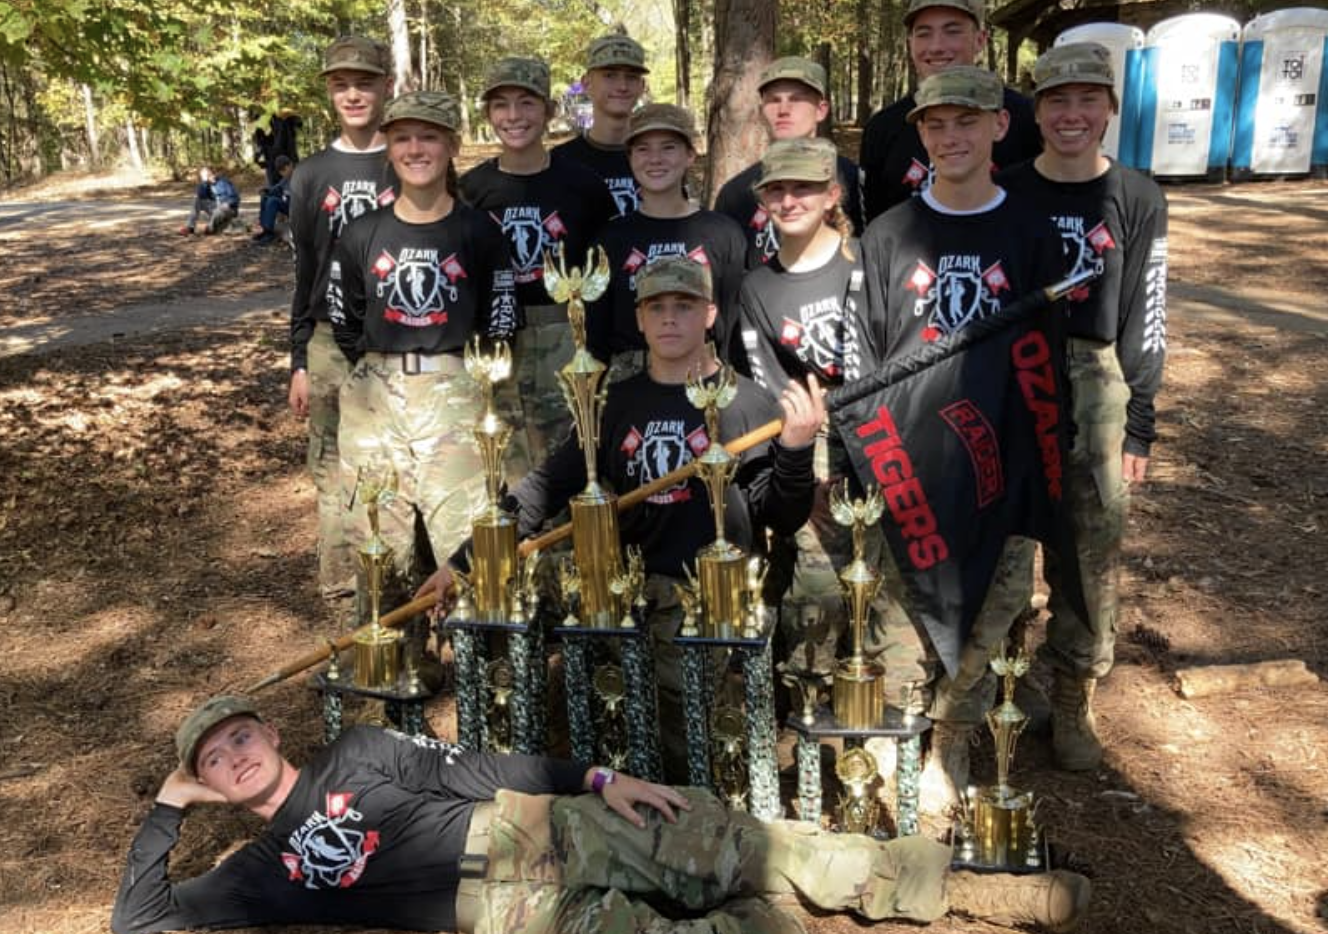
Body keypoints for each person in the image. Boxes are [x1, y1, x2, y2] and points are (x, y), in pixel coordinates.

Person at [111, 694, 1091, 934]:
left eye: (239, 737)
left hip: (529, 830)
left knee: (727, 840)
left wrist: (594, 779)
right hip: (502, 918)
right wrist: (166, 809)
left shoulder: (358, 748)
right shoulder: (252, 872)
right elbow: (138, 922)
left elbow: (485, 763)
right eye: (211, 761)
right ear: (206, 782)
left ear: (269, 733)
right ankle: (787, 912)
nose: (234, 757)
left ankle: (953, 886)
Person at [421, 255, 823, 782]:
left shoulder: (746, 403)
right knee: (503, 611)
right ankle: (511, 759)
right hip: (624, 587)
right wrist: (463, 562)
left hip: (709, 599)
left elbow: (780, 513)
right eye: (656, 307)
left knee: (686, 752)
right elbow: (546, 487)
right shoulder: (613, 404)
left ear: (710, 314)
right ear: (638, 318)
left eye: (684, 305)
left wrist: (795, 450)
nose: (670, 318)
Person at [858, 66, 1065, 814]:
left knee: (991, 608)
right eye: (935, 125)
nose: (951, 137)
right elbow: (870, 359)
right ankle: (893, 745)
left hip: (1000, 462)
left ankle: (950, 740)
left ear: (999, 127)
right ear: (920, 134)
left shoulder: (1030, 232)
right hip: (910, 463)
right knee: (903, 611)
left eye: (967, 122)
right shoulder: (888, 236)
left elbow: (1049, 371)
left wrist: (1044, 468)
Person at [998, 43, 1169, 771]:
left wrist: (1140, 418)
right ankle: (1007, 675)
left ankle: (1073, 696)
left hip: (1096, 375)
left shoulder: (1135, 193)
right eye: (1056, 101)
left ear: (1108, 110)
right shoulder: (1005, 189)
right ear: (1035, 112)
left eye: (1086, 100)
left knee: (1088, 549)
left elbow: (1146, 308)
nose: (1072, 115)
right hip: (1010, 375)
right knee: (1003, 538)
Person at [328, 90, 518, 601]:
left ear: (452, 144)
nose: (416, 149)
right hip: (375, 399)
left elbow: (499, 321)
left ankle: (483, 665)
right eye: (403, 138)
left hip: (454, 392)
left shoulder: (478, 231)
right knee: (378, 541)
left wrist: (460, 382)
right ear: (388, 148)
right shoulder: (362, 232)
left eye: (429, 136)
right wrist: (377, 372)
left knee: (468, 538)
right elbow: (345, 320)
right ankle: (394, 666)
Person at [736, 136, 873, 696]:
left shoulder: (868, 261)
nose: (791, 200)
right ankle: (810, 695)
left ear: (832, 194)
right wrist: (799, 462)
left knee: (885, 579)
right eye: (778, 190)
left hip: (881, 434)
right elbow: (769, 382)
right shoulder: (758, 286)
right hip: (812, 439)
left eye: (805, 188)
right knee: (814, 579)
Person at [460, 56, 617, 478]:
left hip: (566, 338)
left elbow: (603, 271)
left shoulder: (583, 185)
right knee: (505, 462)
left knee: (571, 458)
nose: (514, 116)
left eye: (527, 103)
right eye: (501, 105)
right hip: (496, 341)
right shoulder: (471, 190)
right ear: (489, 114)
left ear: (549, 110)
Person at [286, 36, 398, 601]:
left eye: (366, 82)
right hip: (331, 341)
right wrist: (299, 359)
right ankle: (345, 594)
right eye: (340, 84)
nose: (353, 94)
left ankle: (400, 591)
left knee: (397, 465)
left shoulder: (408, 157)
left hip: (399, 339)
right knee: (333, 470)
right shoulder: (309, 175)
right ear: (329, 93)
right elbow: (305, 274)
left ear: (387, 86)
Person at [584, 103, 748, 380]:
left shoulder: (722, 233)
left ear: (690, 155)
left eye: (669, 147)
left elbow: (733, 324)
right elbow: (596, 335)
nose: (655, 159)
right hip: (630, 382)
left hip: (704, 377)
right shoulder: (610, 240)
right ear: (630, 157)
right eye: (643, 149)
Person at [858, 0, 1041, 225]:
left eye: (952, 31)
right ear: (910, 43)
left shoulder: (1027, 118)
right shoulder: (883, 128)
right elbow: (873, 228)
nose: (936, 46)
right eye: (924, 34)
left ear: (980, 40)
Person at [714, 57, 864, 267]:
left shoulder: (853, 179)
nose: (783, 109)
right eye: (774, 100)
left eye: (796, 99)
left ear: (821, 110)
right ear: (761, 110)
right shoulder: (736, 194)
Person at [551, 33, 650, 217]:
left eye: (631, 77)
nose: (622, 86)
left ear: (642, 86)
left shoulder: (658, 159)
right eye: (610, 75)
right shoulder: (559, 162)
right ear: (586, 83)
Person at [252, 154, 294, 245]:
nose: (283, 173)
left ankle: (269, 234)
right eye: (281, 172)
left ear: (290, 165)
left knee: (273, 201)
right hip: (288, 205)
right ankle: (265, 230)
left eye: (284, 169)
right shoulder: (286, 179)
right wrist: (265, 191)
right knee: (265, 198)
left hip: (298, 208)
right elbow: (275, 189)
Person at [179, 166, 215, 235]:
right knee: (197, 200)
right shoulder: (203, 184)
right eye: (203, 175)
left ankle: (213, 227)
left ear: (211, 174)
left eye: (207, 174)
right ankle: (190, 227)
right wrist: (205, 182)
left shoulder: (216, 182)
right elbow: (201, 194)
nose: (205, 176)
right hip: (209, 205)